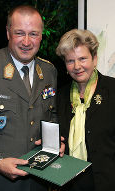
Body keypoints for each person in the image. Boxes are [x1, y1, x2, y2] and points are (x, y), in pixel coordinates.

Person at [0, 5, 65, 191]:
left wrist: (53, 143)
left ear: (42, 35)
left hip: (37, 182)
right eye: (20, 33)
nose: (26, 42)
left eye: (33, 34)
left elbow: (51, 116)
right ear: (8, 33)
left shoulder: (49, 71)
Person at [56, 29, 115, 191]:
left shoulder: (112, 90)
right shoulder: (59, 97)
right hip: (69, 185)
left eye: (82, 59)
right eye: (70, 61)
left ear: (94, 59)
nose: (77, 66)